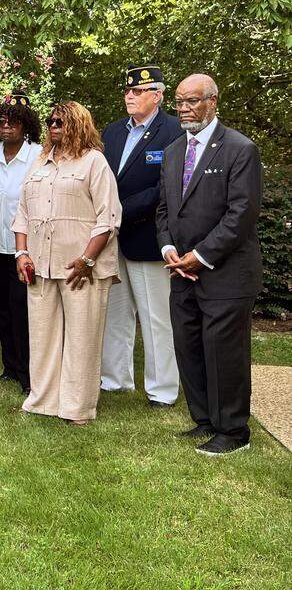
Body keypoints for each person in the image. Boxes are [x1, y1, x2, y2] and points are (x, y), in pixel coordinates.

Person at [157, 74, 262, 456]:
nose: (184, 108)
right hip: (181, 272)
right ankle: (204, 420)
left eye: (193, 101)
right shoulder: (172, 152)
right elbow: (165, 209)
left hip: (226, 274)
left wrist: (200, 256)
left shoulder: (239, 149)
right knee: (189, 346)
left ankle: (233, 431)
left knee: (224, 352)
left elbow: (241, 214)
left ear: (213, 102)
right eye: (180, 102)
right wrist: (169, 248)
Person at [12, 101, 121, 425]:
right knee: (43, 337)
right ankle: (43, 400)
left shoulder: (94, 162)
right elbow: (22, 214)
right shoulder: (39, 163)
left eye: (61, 121)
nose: (54, 126)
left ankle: (78, 408)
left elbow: (109, 217)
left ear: (78, 125)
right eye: (50, 121)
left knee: (81, 338)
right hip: (40, 265)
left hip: (81, 268)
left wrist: (88, 258)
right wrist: (22, 254)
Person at [99, 64, 185, 407]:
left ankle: (162, 389)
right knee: (114, 314)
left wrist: (117, 213)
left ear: (159, 95)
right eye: (128, 91)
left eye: (139, 91)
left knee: (156, 318)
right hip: (110, 238)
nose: (130, 96)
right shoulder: (114, 131)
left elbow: (166, 187)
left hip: (149, 237)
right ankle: (115, 380)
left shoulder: (174, 131)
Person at [0, 90, 43, 395]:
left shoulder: (40, 156)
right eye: (2, 121)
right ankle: (9, 366)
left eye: (14, 121)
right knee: (4, 308)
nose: (7, 126)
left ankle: (28, 373)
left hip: (28, 250)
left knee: (24, 310)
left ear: (26, 124)